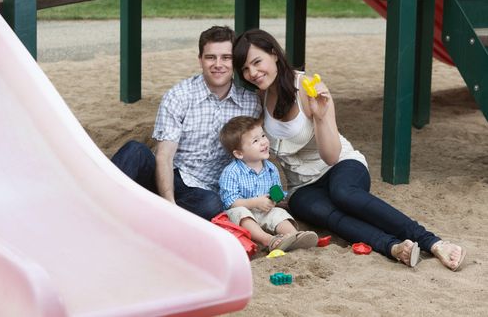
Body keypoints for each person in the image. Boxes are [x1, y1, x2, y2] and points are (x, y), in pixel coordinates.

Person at [232, 28, 466, 271]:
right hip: (302, 185)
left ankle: (433, 242)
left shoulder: (309, 88)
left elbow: (331, 156)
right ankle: (394, 248)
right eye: (245, 69)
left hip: (340, 165)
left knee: (344, 194)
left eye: (257, 62)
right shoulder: (261, 96)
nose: (253, 73)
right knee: (317, 210)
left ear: (275, 54)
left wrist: (321, 117)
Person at [111, 25, 262, 221]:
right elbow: (164, 157)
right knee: (135, 151)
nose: (218, 64)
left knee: (212, 204)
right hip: (167, 176)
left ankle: (148, 211)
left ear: (235, 61)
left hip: (202, 192)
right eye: (210, 57)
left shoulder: (250, 103)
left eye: (226, 57)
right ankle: (98, 206)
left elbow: (256, 153)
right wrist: (169, 204)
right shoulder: (179, 96)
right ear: (200, 59)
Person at [218, 116, 318, 252]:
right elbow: (230, 201)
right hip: (244, 213)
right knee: (240, 213)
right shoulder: (231, 172)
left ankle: (293, 236)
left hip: (264, 211)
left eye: (263, 136)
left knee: (279, 213)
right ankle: (268, 240)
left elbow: (276, 191)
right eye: (255, 141)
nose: (264, 142)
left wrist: (274, 199)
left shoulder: (270, 168)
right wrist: (254, 203)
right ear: (239, 153)